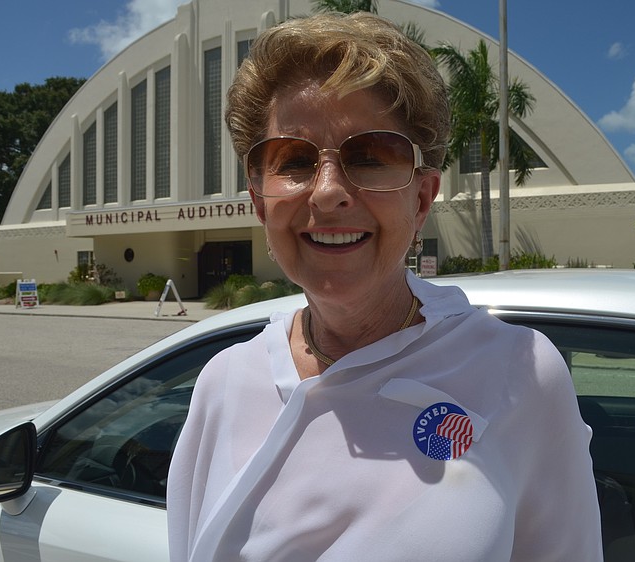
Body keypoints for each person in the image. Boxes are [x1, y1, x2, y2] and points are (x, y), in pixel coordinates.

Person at [167, 12, 603, 561]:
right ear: (260, 202)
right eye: (294, 161)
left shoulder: (519, 373)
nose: (327, 193)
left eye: (370, 156)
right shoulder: (223, 383)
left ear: (421, 199)